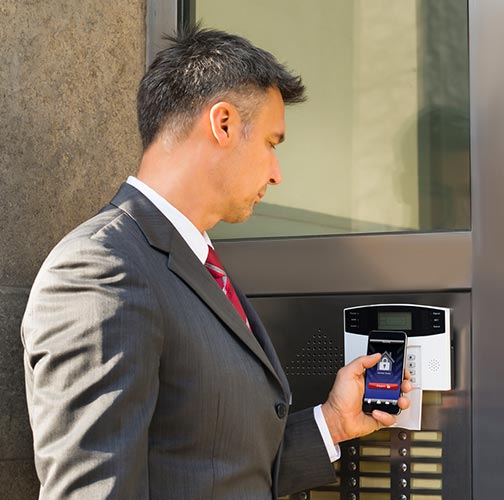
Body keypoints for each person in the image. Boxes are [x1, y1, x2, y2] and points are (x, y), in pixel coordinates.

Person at [21, 25, 412, 499]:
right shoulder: (101, 272)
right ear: (222, 124)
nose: (277, 172)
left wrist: (333, 422)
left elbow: (217, 468)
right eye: (272, 143)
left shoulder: (194, 263)